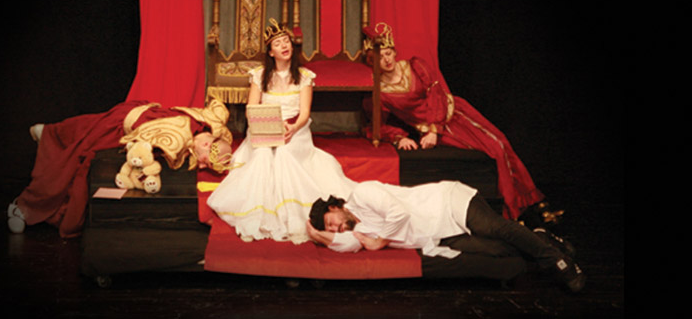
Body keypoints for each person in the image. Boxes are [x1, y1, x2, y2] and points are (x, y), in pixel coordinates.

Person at [362, 23, 561, 226]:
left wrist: (434, 129)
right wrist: (399, 138)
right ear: (372, 60)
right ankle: (514, 212)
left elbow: (436, 95)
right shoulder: (379, 91)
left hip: (453, 114)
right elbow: (378, 124)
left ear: (395, 52)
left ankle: (534, 204)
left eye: (388, 53)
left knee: (500, 143)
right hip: (438, 131)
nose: (387, 60)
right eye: (380, 56)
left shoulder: (415, 66)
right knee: (493, 150)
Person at [206, 19, 357, 244]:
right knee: (262, 155)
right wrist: (263, 126)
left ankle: (291, 215)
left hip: (295, 129)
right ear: (271, 52)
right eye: (278, 43)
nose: (284, 46)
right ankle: (257, 213)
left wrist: (293, 128)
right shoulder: (259, 75)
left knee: (284, 154)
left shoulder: (304, 77)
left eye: (286, 41)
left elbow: (304, 113)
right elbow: (251, 108)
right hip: (265, 126)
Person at [8, 98, 234, 238]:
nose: (200, 164)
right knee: (81, 148)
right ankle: (30, 203)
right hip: (123, 123)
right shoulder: (181, 136)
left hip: (132, 112)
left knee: (88, 128)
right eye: (205, 160)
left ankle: (50, 132)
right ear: (207, 144)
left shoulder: (206, 127)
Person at [307, 180, 585, 292]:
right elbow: (344, 246)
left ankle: (560, 263)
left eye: (332, 223)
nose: (337, 230)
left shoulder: (362, 193)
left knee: (497, 228)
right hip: (439, 234)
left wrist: (380, 242)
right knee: (497, 249)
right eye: (331, 231)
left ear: (335, 207)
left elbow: (398, 213)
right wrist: (317, 235)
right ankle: (542, 237)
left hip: (448, 203)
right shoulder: (357, 231)